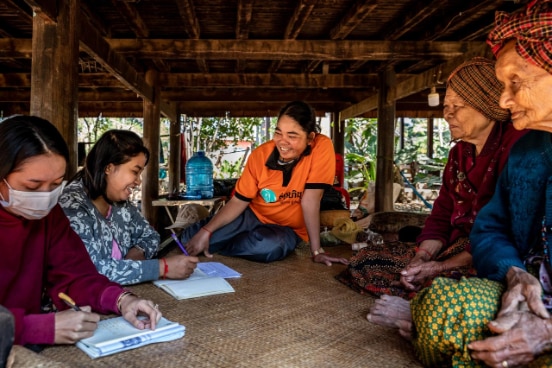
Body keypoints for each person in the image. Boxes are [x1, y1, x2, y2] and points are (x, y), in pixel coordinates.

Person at [374, 1, 552, 366]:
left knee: (446, 313)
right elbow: (488, 226)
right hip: (518, 279)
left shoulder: (512, 145)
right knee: (388, 271)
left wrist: (546, 330)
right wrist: (514, 273)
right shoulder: (527, 150)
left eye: (515, 83)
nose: (505, 100)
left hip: (485, 267)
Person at [337, 57, 527, 302]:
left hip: (489, 253)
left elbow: (507, 231)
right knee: (364, 260)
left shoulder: (516, 146)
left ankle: (427, 293)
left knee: (457, 286)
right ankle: (420, 287)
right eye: (446, 106)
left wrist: (440, 267)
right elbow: (441, 214)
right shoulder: (459, 154)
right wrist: (421, 258)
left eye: (457, 106)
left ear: (486, 104)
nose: (447, 114)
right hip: (452, 247)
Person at [0, 115, 161, 348]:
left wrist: (121, 299)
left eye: (56, 185)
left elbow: (75, 275)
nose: (45, 196)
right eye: (32, 186)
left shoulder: (50, 216)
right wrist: (37, 328)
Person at [182, 100, 349, 265]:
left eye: (292, 136)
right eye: (278, 133)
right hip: (253, 214)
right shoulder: (260, 155)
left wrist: (316, 251)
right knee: (189, 240)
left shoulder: (321, 147)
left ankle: (220, 245)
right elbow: (239, 201)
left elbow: (310, 200)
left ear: (310, 137)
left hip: (288, 229)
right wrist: (206, 231)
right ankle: (216, 236)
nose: (282, 142)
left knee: (269, 247)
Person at [59, 130, 199, 285]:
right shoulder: (72, 206)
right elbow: (91, 270)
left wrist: (138, 252)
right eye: (135, 171)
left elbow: (151, 236)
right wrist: (161, 268)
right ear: (109, 168)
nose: (138, 181)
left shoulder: (120, 204)